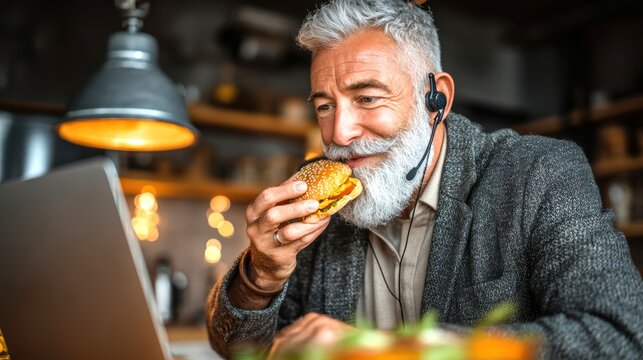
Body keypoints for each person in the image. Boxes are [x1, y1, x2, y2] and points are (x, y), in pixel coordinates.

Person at [206, 0, 643, 358]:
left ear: (438, 100)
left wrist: (387, 349)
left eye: (368, 98)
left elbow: (619, 335)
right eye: (324, 106)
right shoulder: (318, 202)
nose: (339, 133)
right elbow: (242, 350)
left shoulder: (537, 173)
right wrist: (260, 277)